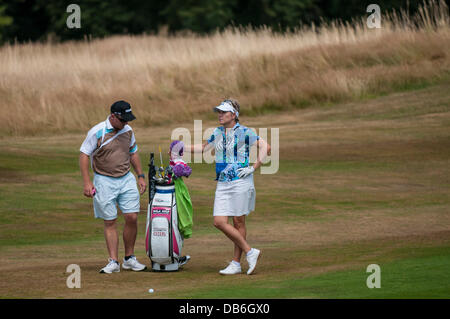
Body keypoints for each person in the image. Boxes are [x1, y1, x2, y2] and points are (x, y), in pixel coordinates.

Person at [188, 98, 271, 275]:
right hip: (223, 182)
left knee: (238, 221)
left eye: (223, 112)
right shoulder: (217, 132)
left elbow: (266, 147)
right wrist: (180, 147)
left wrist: (253, 167)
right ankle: (250, 251)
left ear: (233, 115)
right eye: (218, 112)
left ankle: (236, 263)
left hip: (241, 181)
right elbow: (204, 148)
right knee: (219, 222)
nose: (219, 115)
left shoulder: (244, 132)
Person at [79, 100, 147, 274]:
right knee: (110, 221)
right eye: (123, 119)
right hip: (104, 180)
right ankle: (113, 261)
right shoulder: (97, 131)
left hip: (126, 178)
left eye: (127, 120)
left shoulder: (128, 131)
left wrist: (140, 175)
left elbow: (133, 152)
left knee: (132, 217)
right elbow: (84, 155)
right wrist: (87, 182)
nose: (126, 123)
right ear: (113, 116)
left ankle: (129, 258)